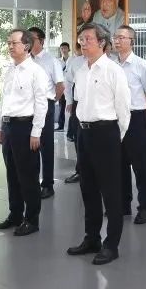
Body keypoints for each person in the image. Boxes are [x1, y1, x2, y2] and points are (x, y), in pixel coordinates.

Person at [66, 23, 131, 265]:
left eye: (88, 39)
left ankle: (111, 245)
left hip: (106, 133)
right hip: (84, 133)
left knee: (111, 191)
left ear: (102, 43)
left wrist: (114, 138)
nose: (83, 43)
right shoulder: (81, 70)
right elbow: (80, 103)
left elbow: (123, 110)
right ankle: (91, 238)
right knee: (88, 189)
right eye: (81, 39)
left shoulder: (114, 71)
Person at [0, 29, 49, 237]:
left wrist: (36, 132)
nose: (10, 46)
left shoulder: (36, 72)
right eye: (8, 42)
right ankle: (15, 214)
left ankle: (32, 219)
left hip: (26, 128)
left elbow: (42, 103)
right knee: (12, 174)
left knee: (28, 176)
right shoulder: (10, 70)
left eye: (14, 43)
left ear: (26, 46)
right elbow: (4, 100)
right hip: (9, 127)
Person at [113, 25, 146, 224]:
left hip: (137, 117)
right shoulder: (112, 65)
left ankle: (144, 207)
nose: (117, 40)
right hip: (115, 119)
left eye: (122, 37)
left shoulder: (141, 65)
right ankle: (123, 205)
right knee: (119, 164)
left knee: (140, 166)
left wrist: (145, 117)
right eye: (116, 37)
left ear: (132, 41)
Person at [28, 27, 64, 199]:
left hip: (46, 105)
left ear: (41, 41)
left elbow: (60, 86)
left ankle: (48, 184)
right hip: (28, 106)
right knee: (30, 144)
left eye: (32, 39)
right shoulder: (27, 59)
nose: (28, 42)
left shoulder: (51, 61)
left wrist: (52, 101)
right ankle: (32, 183)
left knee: (45, 145)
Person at [63, 41, 87, 184]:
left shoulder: (109, 63)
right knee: (79, 139)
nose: (85, 44)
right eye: (82, 40)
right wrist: (69, 101)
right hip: (79, 103)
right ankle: (80, 171)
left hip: (100, 106)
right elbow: (67, 82)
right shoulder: (76, 62)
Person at [56, 42, 71, 131]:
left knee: (71, 106)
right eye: (62, 48)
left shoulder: (73, 60)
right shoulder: (58, 61)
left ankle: (70, 126)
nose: (63, 50)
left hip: (70, 86)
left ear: (69, 49)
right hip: (62, 86)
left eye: (65, 48)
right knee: (62, 106)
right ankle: (60, 125)